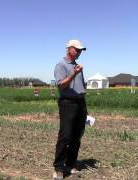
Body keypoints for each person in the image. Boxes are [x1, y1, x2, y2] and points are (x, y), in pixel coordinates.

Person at [53, 39, 87, 179]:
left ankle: (71, 164)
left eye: (80, 50)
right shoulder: (61, 65)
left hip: (80, 103)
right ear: (69, 49)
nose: (79, 52)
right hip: (67, 104)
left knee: (76, 136)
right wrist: (74, 73)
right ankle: (58, 168)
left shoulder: (77, 65)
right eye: (77, 50)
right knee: (65, 136)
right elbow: (61, 86)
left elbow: (80, 87)